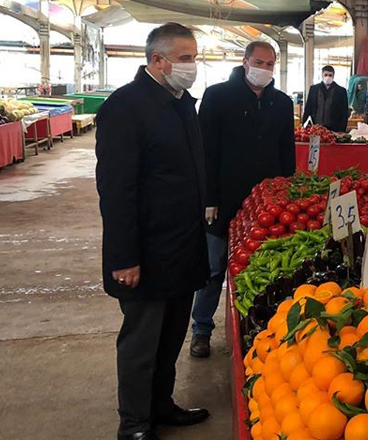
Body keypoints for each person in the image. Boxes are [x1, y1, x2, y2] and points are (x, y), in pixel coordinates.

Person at [95, 22, 210, 440]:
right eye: (185, 58)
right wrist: (124, 257)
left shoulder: (180, 102)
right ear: (157, 61)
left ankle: (161, 406)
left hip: (181, 246)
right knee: (141, 344)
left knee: (170, 337)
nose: (192, 66)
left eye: (194, 57)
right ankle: (134, 424)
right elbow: (116, 189)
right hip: (144, 250)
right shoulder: (126, 107)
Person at [193, 41, 296, 357]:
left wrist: (287, 193)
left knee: (260, 270)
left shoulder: (281, 103)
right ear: (245, 61)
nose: (263, 69)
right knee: (212, 269)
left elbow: (286, 152)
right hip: (223, 201)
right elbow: (204, 150)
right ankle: (201, 330)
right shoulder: (217, 97)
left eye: (270, 64)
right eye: (259, 62)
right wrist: (208, 197)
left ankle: (256, 330)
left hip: (264, 206)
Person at [302, 65, 350, 132]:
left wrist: (342, 130)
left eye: (330, 75)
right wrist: (304, 125)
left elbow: (344, 112)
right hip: (315, 127)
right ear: (322, 75)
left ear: (333, 76)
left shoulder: (341, 91)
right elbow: (308, 108)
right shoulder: (314, 89)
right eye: (326, 75)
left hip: (334, 128)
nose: (328, 77)